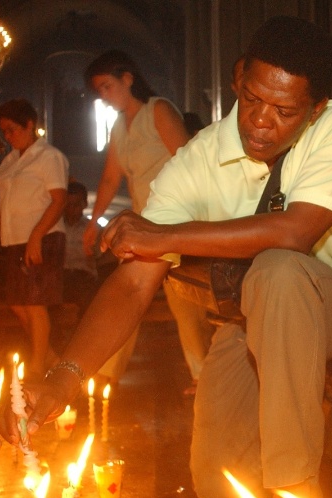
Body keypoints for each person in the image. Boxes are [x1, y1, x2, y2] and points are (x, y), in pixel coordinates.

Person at [0, 16, 332, 498]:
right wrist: (63, 379)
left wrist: (164, 234)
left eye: (284, 111)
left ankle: (296, 486)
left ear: (314, 110)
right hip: (244, 319)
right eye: (251, 99)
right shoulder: (198, 159)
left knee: (279, 270)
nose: (260, 120)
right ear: (237, 78)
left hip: (321, 298)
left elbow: (295, 231)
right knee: (215, 476)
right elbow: (133, 283)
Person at [81, 49, 213, 389]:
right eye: (99, 90)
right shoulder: (119, 129)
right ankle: (106, 375)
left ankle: (204, 377)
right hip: (142, 225)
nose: (104, 95)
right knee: (127, 294)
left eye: (107, 86)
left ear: (128, 79)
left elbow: (187, 160)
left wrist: (191, 223)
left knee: (184, 302)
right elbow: (111, 178)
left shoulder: (158, 109)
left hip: (173, 221)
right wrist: (92, 224)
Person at [0, 98, 68, 379]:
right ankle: (51, 358)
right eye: (4, 131)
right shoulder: (8, 162)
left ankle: (36, 366)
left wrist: (36, 236)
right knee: (18, 302)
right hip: (14, 238)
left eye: (12, 129)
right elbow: (3, 202)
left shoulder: (49, 157)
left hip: (43, 237)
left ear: (30, 125)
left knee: (34, 302)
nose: (8, 136)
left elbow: (58, 200)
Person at [62, 181, 99, 316]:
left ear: (84, 204)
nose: (72, 209)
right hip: (62, 277)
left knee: (89, 303)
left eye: (76, 205)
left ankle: (83, 333)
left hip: (84, 277)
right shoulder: (56, 228)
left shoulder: (91, 229)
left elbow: (101, 258)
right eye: (68, 205)